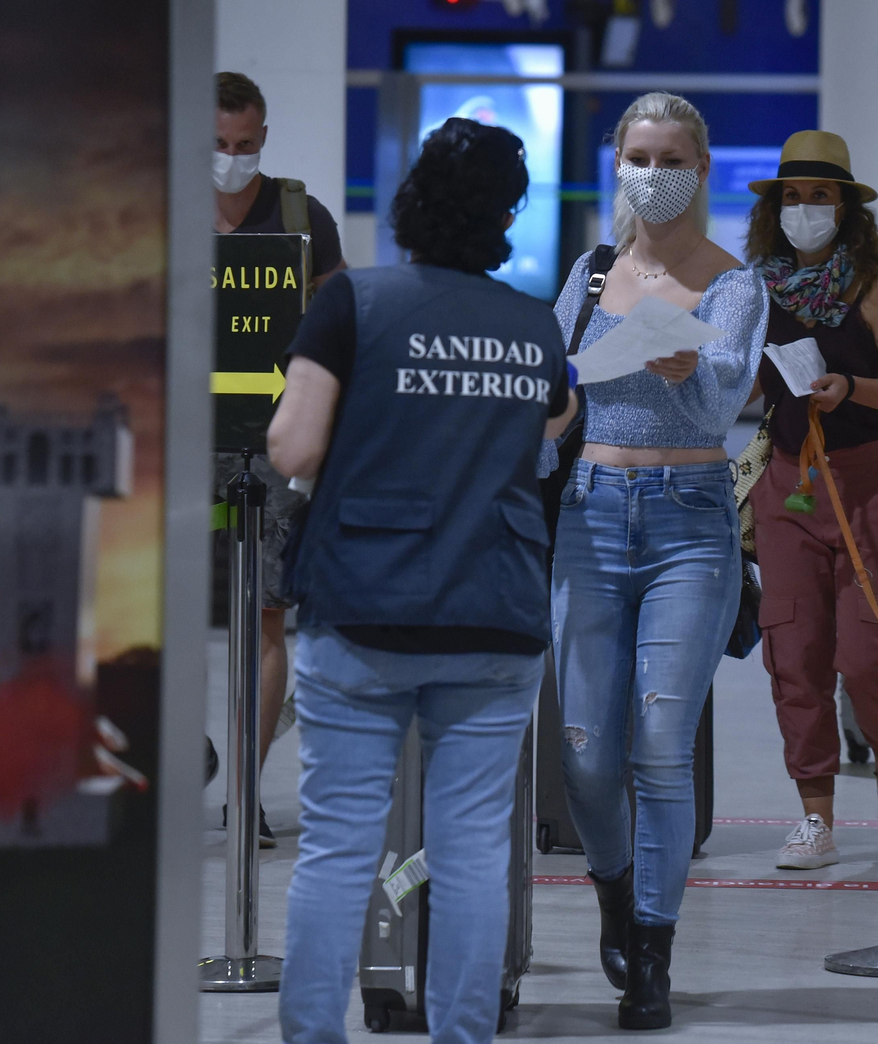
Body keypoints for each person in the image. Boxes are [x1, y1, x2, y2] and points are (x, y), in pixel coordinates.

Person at [268, 118, 575, 1044]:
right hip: (494, 612)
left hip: (362, 604)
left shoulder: (353, 303)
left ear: (409, 199)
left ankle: (313, 1033)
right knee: (474, 849)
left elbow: (294, 444)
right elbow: (552, 431)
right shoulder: (531, 325)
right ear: (507, 217)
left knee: (339, 845)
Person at [546, 92, 766, 1030]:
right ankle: (613, 886)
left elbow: (722, 409)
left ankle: (653, 952)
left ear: (702, 167)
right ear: (618, 162)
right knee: (588, 756)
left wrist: (689, 366)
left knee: (662, 749)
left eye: (672, 155)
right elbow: (556, 390)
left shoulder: (734, 284)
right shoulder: (593, 275)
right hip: (591, 515)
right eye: (639, 154)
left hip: (688, 521)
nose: (653, 170)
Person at [743, 130, 878, 870]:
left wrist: (851, 388)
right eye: (792, 195)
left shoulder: (874, 286)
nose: (804, 207)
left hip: (868, 484)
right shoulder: (756, 289)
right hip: (788, 487)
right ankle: (814, 815)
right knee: (795, 652)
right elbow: (744, 387)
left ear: (845, 205)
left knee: (870, 648)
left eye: (819, 195)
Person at [212, 70, 349, 846]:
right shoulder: (159, 208)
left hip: (271, 442)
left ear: (262, 138)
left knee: (266, 619)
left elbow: (337, 324)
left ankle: (245, 789)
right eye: (216, 145)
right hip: (182, 444)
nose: (229, 160)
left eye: (241, 144)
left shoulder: (301, 215)